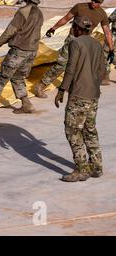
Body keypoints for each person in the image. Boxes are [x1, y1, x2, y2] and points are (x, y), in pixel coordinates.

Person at [54, 16, 106, 182]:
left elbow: (70, 68)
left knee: (72, 130)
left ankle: (82, 169)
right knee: (89, 130)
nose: (72, 30)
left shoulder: (75, 43)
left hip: (78, 95)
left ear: (77, 28)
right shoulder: (97, 44)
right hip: (93, 95)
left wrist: (62, 89)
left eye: (73, 27)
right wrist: (94, 85)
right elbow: (102, 70)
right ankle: (96, 166)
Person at [33, 0, 114, 96]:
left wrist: (111, 49)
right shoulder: (80, 7)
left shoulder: (102, 14)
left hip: (85, 42)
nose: (94, 3)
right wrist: (53, 28)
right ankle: (41, 85)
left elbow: (107, 32)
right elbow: (66, 18)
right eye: (93, 0)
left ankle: (73, 86)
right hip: (72, 39)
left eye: (97, 2)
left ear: (101, 3)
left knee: (80, 66)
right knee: (61, 64)